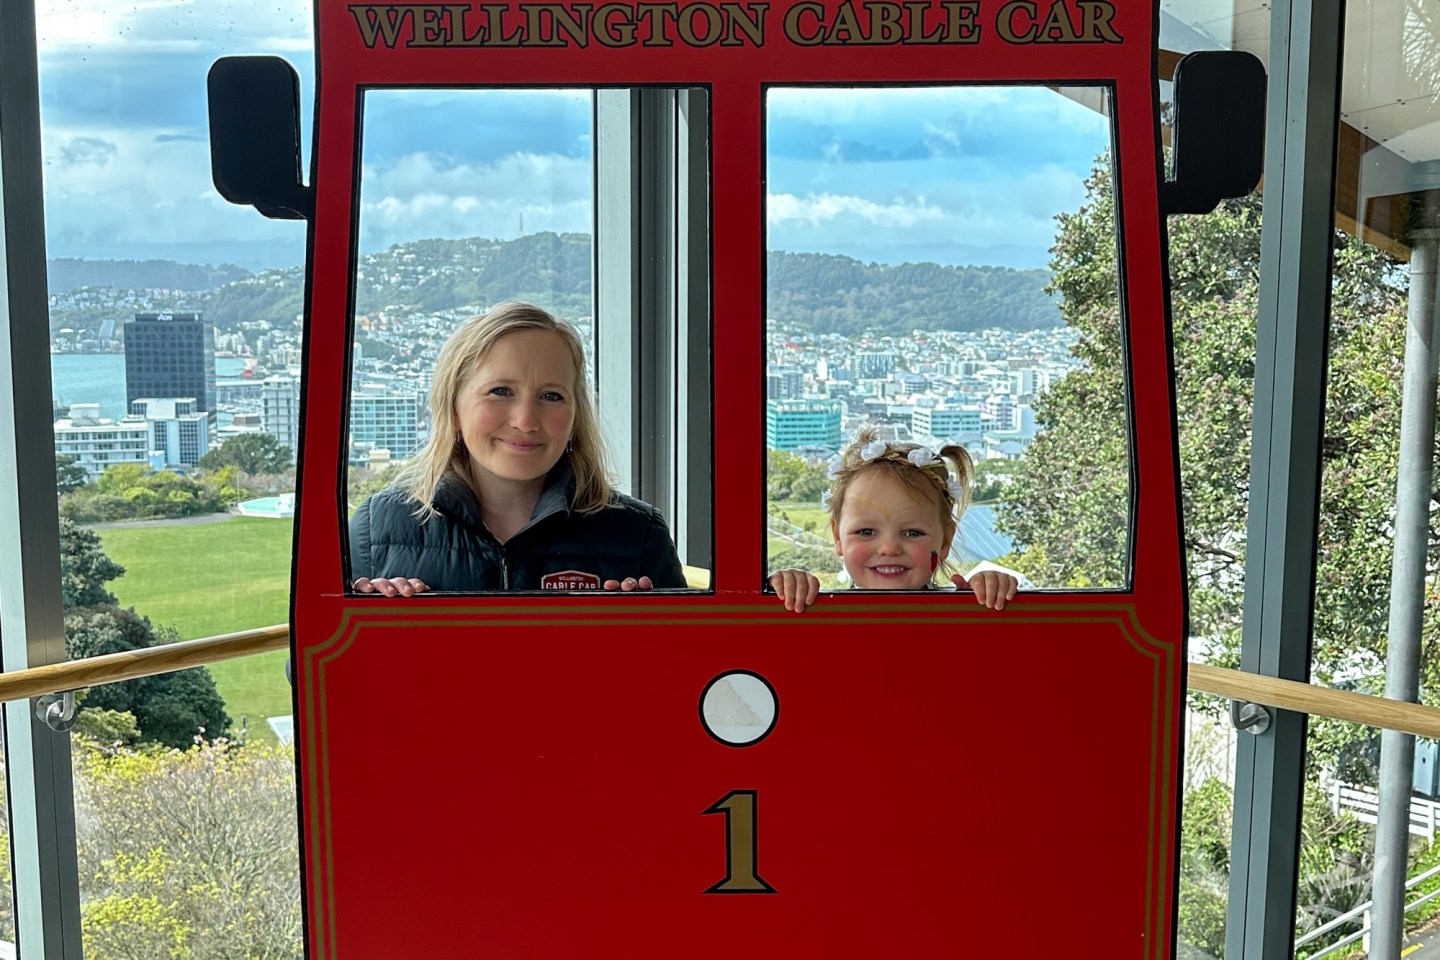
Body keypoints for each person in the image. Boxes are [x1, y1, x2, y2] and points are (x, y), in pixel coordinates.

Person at [349, 301, 687, 595]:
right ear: (453, 408)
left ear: (575, 419)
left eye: (551, 396)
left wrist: (646, 636)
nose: (526, 421)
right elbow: (314, 667)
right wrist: (367, 622)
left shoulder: (639, 536)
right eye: (500, 391)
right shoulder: (375, 529)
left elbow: (696, 665)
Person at [768, 426, 1019, 613]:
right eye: (866, 532)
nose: (889, 548)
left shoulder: (958, 612)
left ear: (946, 541)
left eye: (912, 533)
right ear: (838, 537)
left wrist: (989, 595)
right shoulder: (820, 611)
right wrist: (783, 591)